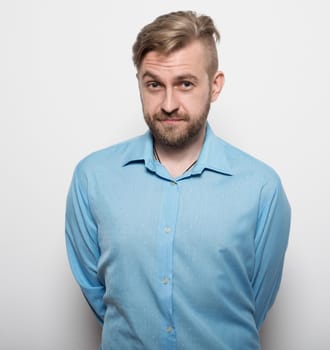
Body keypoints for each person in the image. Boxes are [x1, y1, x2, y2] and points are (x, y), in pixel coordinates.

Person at [65, 10, 291, 350]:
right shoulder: (92, 179)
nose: (169, 104)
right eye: (154, 84)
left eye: (185, 84)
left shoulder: (261, 188)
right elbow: (100, 295)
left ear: (215, 86)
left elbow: (253, 304)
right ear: (139, 83)